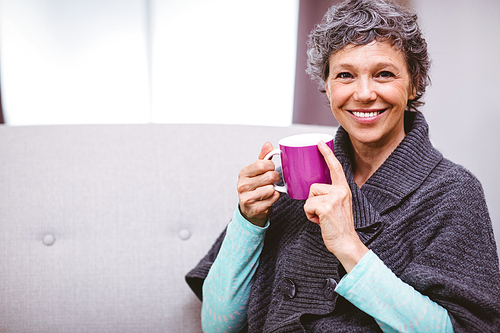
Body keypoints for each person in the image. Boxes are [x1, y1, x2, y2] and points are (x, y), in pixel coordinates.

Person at [186, 0, 500, 331]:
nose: (363, 93)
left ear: (415, 83)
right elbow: (216, 325)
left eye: (384, 74)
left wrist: (349, 246)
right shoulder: (290, 181)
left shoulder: (452, 192)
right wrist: (248, 222)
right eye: (345, 75)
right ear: (327, 85)